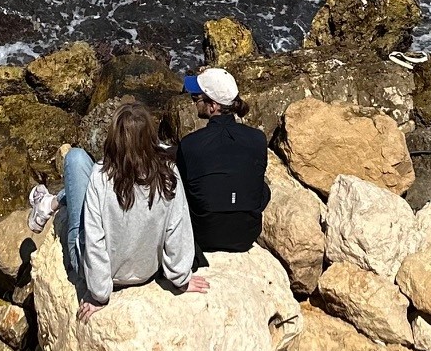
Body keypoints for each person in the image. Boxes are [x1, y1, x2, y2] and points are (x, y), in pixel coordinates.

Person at [34, 101, 205, 322]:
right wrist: (181, 278)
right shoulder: (168, 174)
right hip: (146, 271)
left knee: (76, 159)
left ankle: (51, 203)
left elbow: (94, 241)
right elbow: (177, 229)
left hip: (108, 278)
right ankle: (52, 201)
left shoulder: (101, 176)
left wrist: (99, 295)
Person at [174, 66, 269, 260]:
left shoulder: (190, 144)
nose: (193, 103)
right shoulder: (258, 139)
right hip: (246, 235)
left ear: (213, 106)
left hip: (204, 236)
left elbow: (181, 193)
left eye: (196, 98)